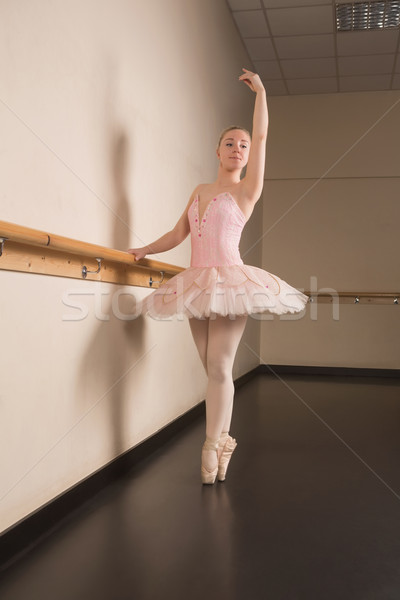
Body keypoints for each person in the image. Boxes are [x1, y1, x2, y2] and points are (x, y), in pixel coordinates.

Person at [128, 68, 308, 485]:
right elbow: (178, 234)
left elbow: (263, 137)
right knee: (210, 368)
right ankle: (224, 439)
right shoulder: (198, 191)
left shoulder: (248, 190)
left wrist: (261, 93)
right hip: (195, 282)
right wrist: (143, 250)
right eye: (230, 143)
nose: (238, 148)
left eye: (243, 145)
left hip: (229, 282)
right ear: (217, 150)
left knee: (220, 365)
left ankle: (211, 445)